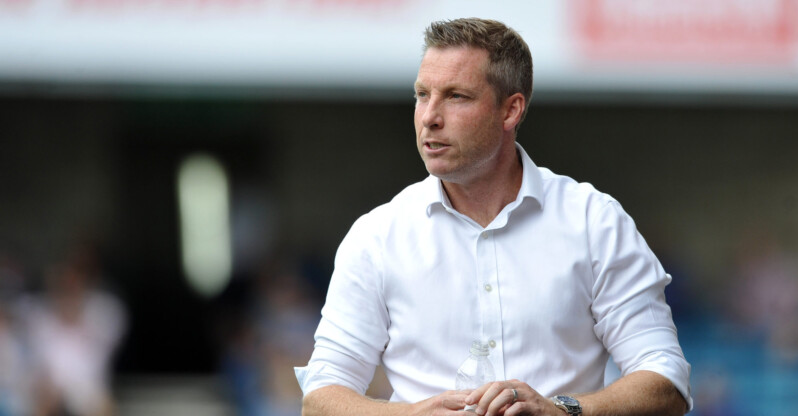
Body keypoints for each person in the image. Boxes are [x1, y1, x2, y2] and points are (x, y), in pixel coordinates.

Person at [295, 18, 692, 416]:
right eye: (422, 95)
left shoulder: (594, 222)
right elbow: (321, 397)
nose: (429, 117)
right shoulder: (377, 236)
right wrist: (411, 414)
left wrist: (560, 411)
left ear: (511, 110)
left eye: (456, 96)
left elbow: (666, 380)